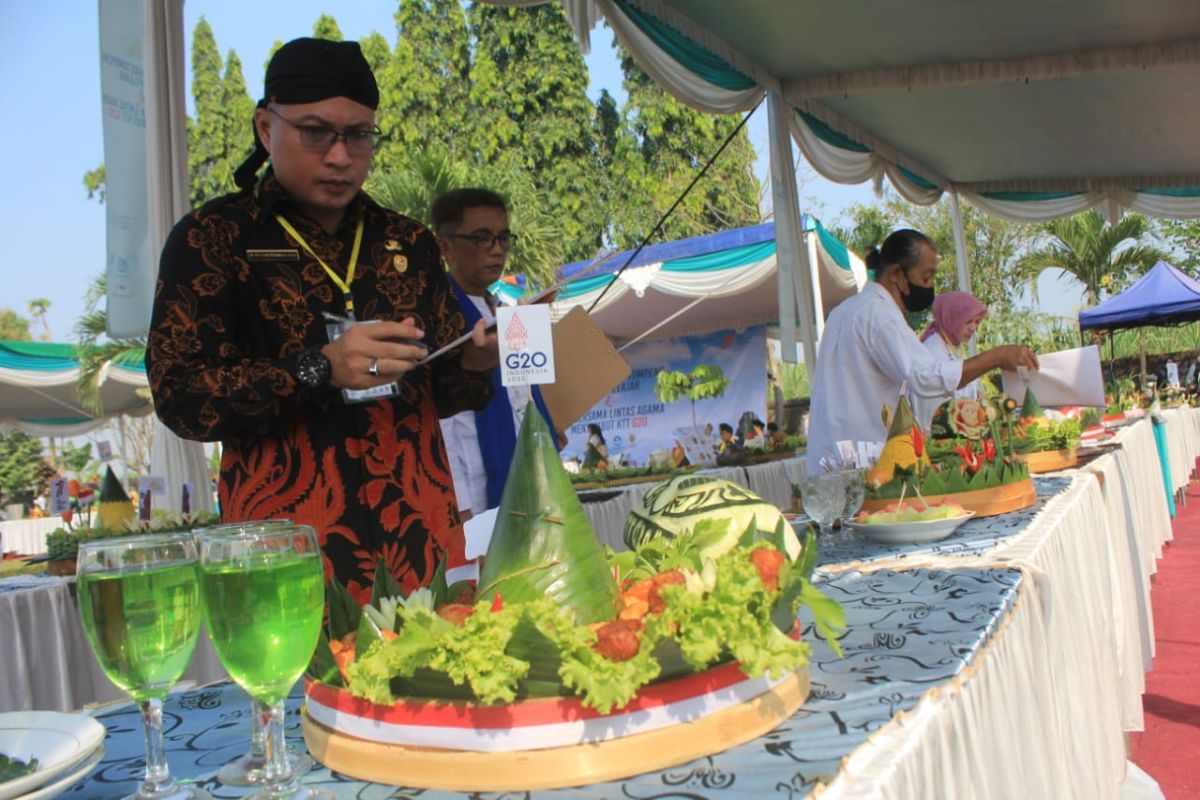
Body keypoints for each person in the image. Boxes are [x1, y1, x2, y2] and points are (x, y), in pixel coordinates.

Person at [146, 38, 497, 600]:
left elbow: (440, 392)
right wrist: (319, 368)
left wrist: (475, 360)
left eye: (359, 135)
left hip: (419, 548)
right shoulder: (214, 239)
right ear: (266, 128)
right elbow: (181, 394)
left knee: (439, 683)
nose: (340, 156)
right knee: (302, 693)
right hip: (286, 557)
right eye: (316, 132)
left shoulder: (407, 242)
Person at [806, 229, 1038, 472]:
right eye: (926, 279)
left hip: (830, 460)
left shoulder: (845, 310)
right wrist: (995, 357)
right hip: (860, 462)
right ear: (896, 273)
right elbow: (923, 377)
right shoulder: (880, 315)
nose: (929, 287)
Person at [433, 188, 556, 518]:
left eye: (503, 238)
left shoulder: (505, 310)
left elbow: (524, 390)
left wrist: (546, 428)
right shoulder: (440, 319)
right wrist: (463, 507)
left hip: (530, 479)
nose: (497, 250)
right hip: (475, 493)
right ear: (446, 246)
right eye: (483, 239)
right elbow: (446, 424)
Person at [911, 291, 989, 429]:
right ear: (951, 318)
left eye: (976, 322)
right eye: (968, 321)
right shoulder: (932, 350)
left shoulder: (950, 346)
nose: (973, 328)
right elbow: (944, 397)